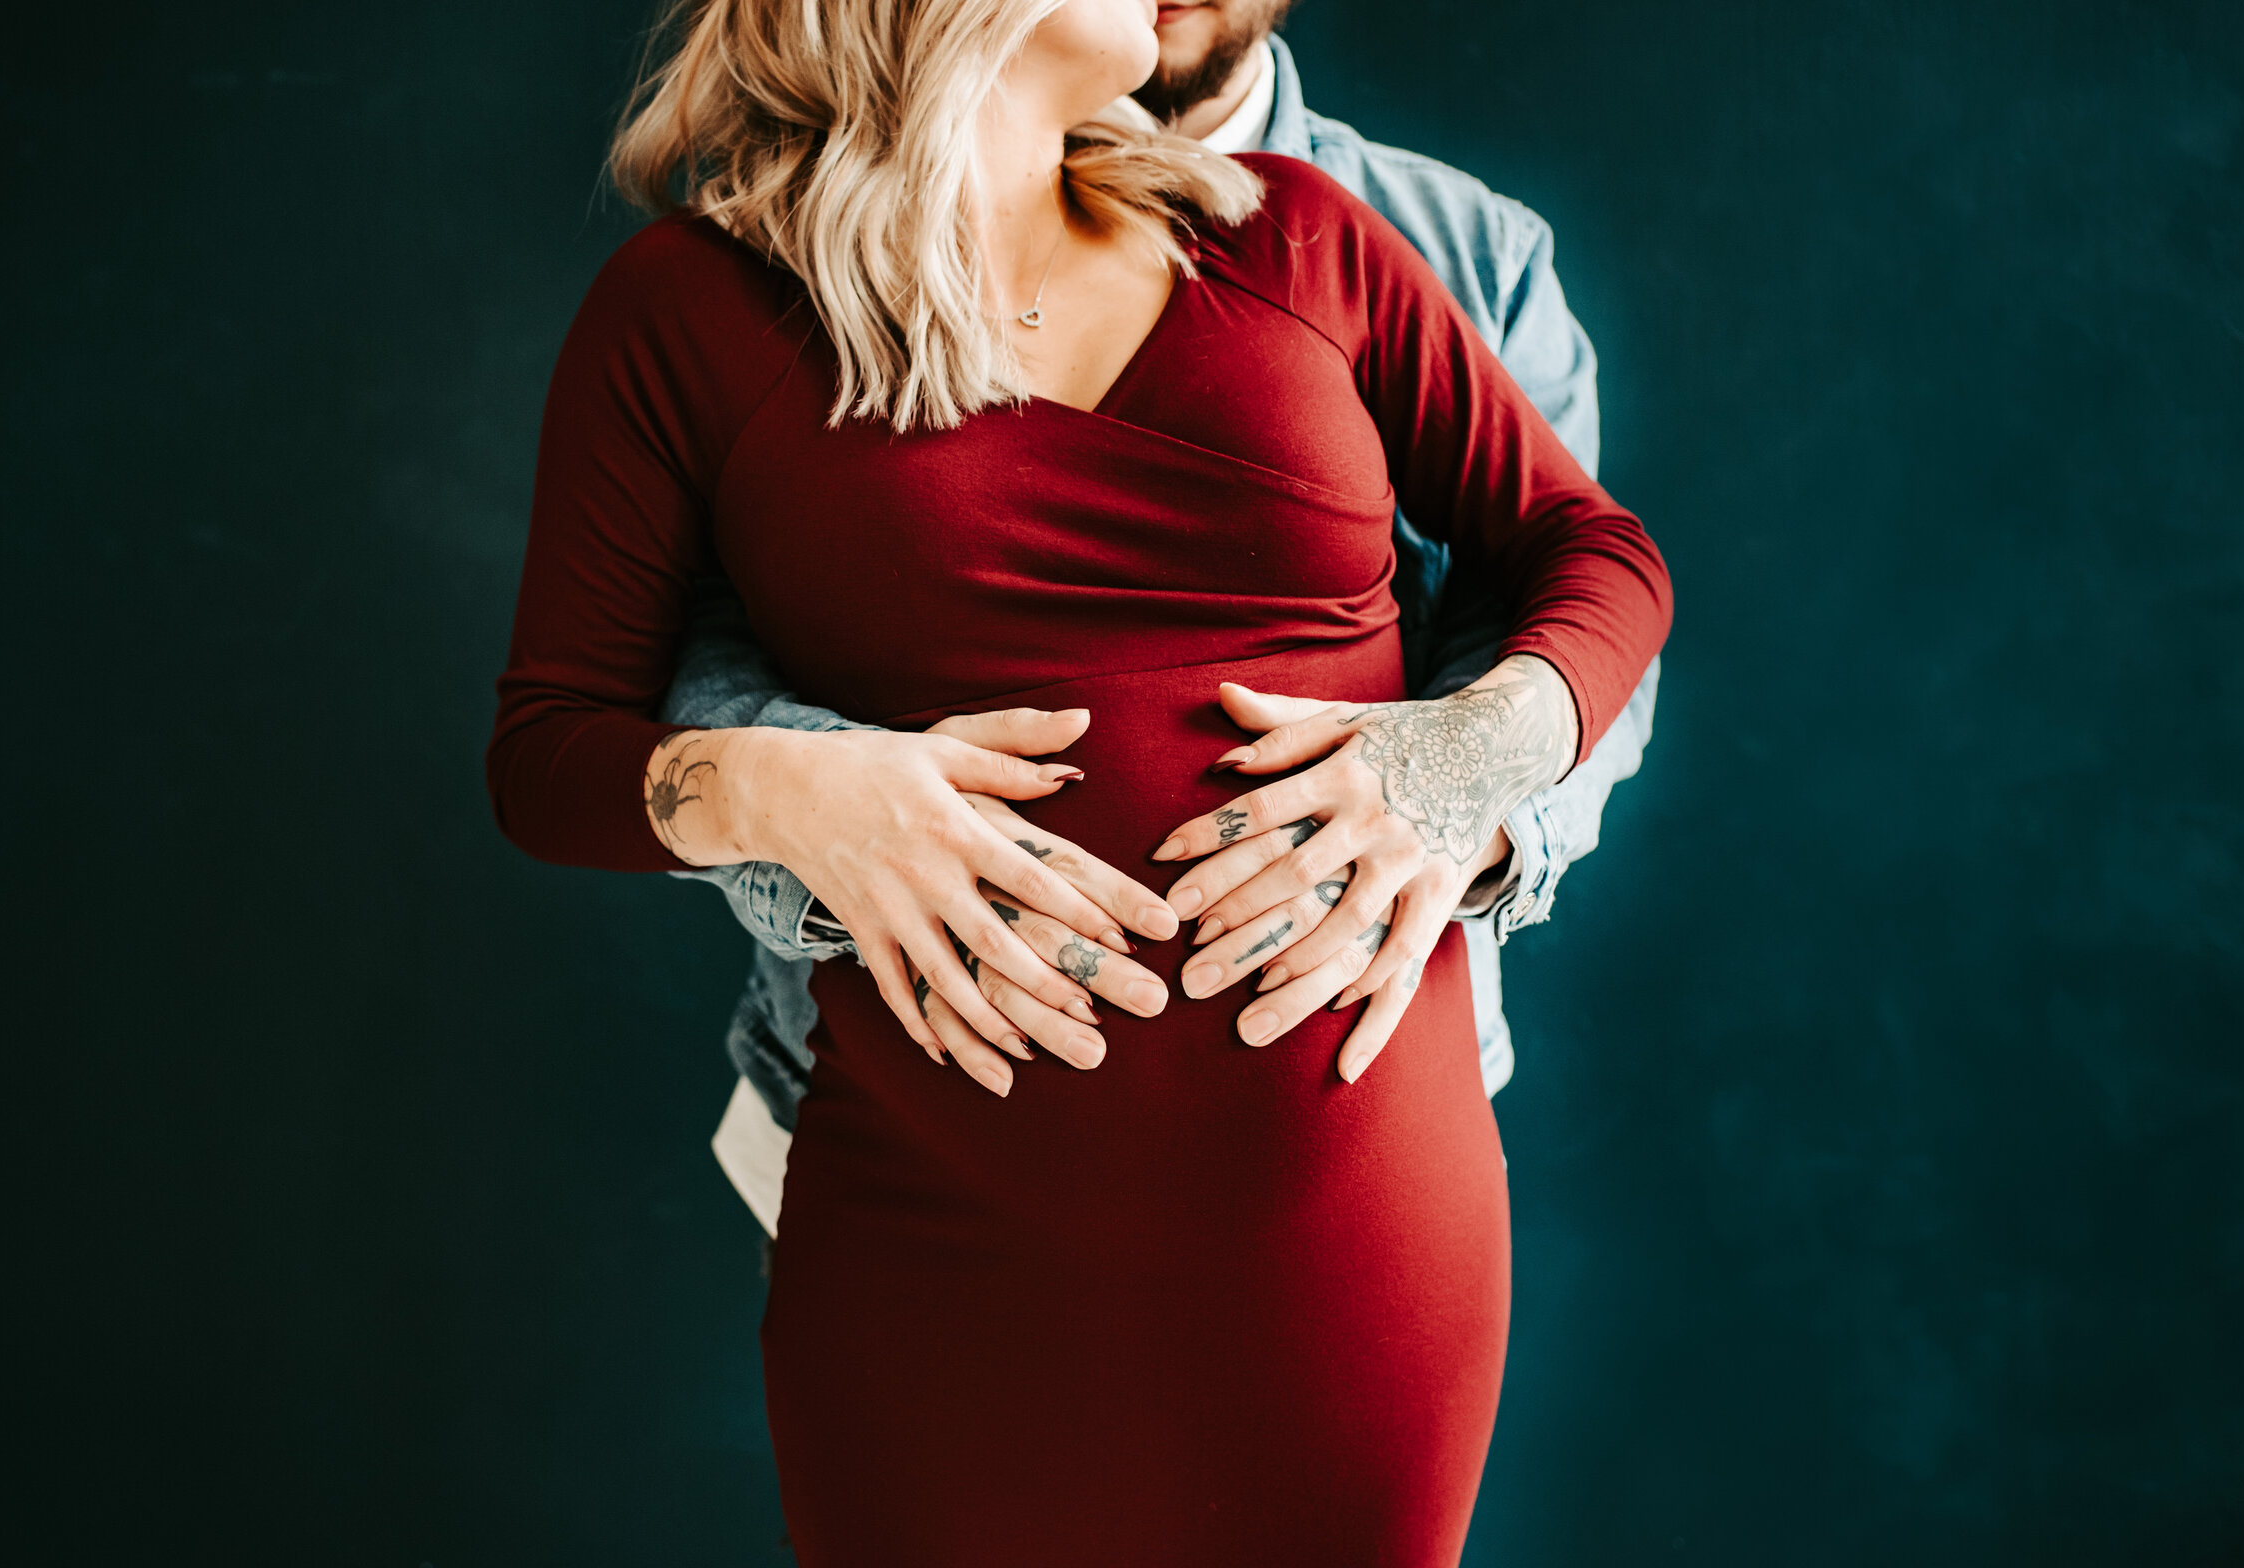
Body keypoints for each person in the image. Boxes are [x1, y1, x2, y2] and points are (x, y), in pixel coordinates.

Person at [488, 0, 1670, 1568]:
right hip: (933, 1224)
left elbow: (1594, 552)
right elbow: (549, 750)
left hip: (1349, 1214)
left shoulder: (1310, 238)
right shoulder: (687, 313)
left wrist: (1468, 759)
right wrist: (783, 790)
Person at [667, 2, 1666, 1236]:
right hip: (896, 1119)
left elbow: (1575, 598)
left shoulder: (1466, 250)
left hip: (1349, 1142)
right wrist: (814, 812)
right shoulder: (791, 252)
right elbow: (686, 639)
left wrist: (1465, 786)